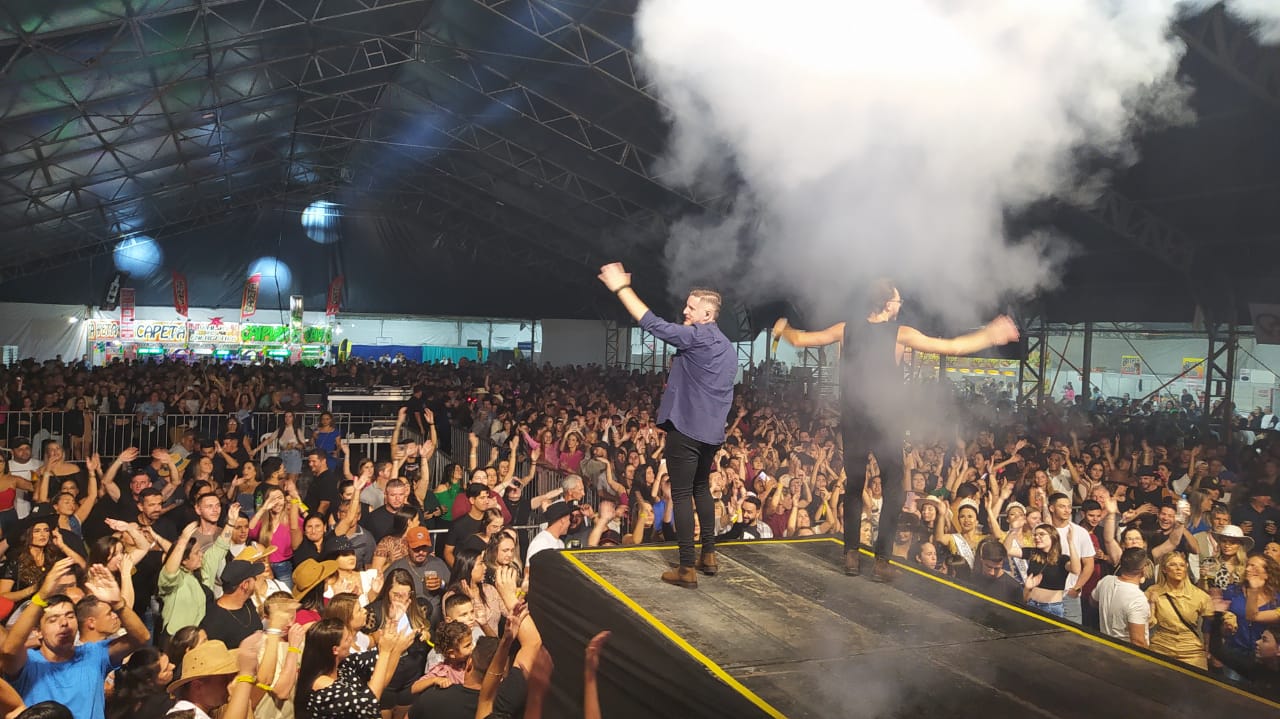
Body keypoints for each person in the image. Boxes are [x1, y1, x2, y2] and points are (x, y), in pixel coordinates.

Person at [774, 279, 1019, 580]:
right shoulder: (901, 333)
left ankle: (851, 555)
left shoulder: (844, 328)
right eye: (898, 300)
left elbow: (800, 340)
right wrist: (990, 334)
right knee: (894, 489)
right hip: (884, 419)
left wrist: (782, 329)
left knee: (854, 485)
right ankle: (881, 561)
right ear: (888, 304)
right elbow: (951, 347)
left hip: (853, 418)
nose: (900, 304)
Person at [598, 262, 737, 588]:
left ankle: (686, 567)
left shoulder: (697, 337)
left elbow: (652, 324)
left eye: (691, 308)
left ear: (707, 315)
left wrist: (621, 288)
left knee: (682, 493)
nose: (685, 311)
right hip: (713, 433)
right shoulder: (728, 349)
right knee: (702, 488)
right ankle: (709, 555)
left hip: (688, 429)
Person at [1, 560, 149, 719]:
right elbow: (9, 650)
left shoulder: (93, 654)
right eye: (53, 619)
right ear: (38, 632)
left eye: (70, 616)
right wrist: (41, 596)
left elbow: (141, 638)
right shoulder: (30, 662)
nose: (64, 623)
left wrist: (118, 603)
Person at [1145, 551, 1213, 669]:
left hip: (1191, 649)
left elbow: (1211, 622)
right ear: (1164, 569)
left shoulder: (1199, 595)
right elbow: (1148, 622)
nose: (1178, 569)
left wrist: (1209, 647)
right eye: (1173, 565)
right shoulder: (1153, 591)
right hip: (1162, 646)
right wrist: (1151, 604)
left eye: (1182, 565)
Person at [1093, 547, 1150, 648]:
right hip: (1126, 657)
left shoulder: (1106, 581)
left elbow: (1093, 601)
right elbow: (1138, 642)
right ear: (1144, 568)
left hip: (1106, 649)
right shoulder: (1137, 599)